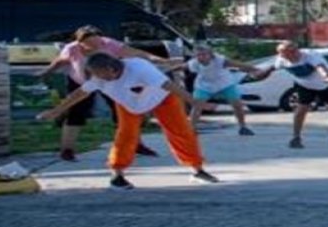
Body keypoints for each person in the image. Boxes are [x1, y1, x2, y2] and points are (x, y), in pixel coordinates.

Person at [37, 54, 218, 190]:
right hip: (128, 104)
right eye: (95, 75)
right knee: (126, 135)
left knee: (180, 131)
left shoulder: (139, 68)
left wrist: (194, 102)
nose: (98, 78)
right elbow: (79, 93)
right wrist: (56, 111)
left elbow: (169, 85)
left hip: (163, 98)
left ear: (112, 68)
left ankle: (197, 169)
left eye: (101, 74)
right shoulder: (98, 78)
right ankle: (117, 175)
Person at [35, 25, 165, 161]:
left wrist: (162, 60)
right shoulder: (71, 49)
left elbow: (137, 53)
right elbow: (60, 61)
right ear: (80, 42)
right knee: (75, 114)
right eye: (90, 44)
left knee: (124, 112)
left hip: (108, 81)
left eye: (97, 42)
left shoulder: (109, 44)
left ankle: (137, 144)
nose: (95, 46)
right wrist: (47, 72)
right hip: (81, 81)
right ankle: (67, 150)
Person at [263, 41, 328, 149]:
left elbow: (320, 67)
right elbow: (272, 68)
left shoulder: (309, 55)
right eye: (282, 54)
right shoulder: (282, 59)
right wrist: (258, 75)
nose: (286, 56)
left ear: (296, 51)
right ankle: (296, 138)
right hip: (304, 85)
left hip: (326, 84)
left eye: (289, 53)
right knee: (301, 109)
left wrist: (325, 76)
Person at [186, 44, 261, 136]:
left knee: (237, 104)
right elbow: (181, 66)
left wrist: (255, 69)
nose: (201, 57)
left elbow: (238, 64)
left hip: (224, 84)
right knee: (197, 106)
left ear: (210, 55)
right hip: (204, 86)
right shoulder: (193, 63)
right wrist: (168, 70)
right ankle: (191, 129)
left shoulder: (219, 60)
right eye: (198, 55)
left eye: (204, 54)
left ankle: (243, 127)